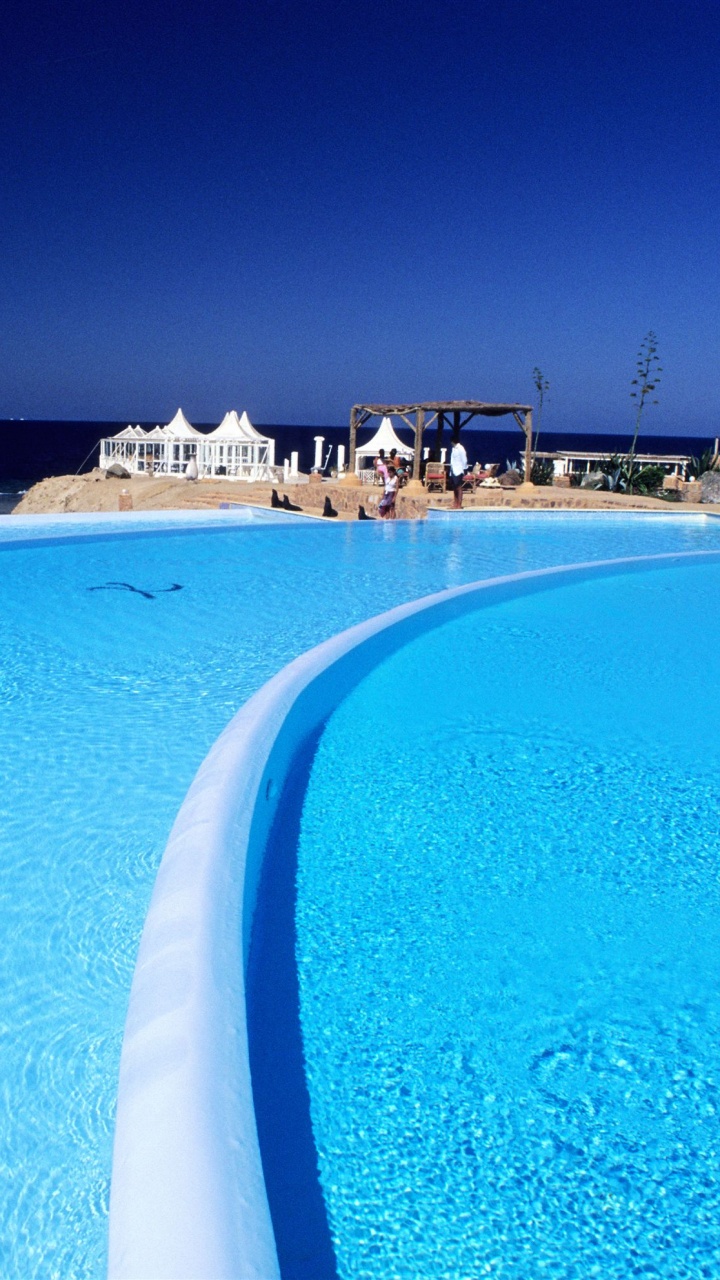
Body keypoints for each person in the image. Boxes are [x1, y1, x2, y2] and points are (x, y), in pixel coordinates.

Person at [449, 436, 469, 509]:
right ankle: (455, 503)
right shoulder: (454, 449)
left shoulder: (461, 448)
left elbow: (464, 460)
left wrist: (464, 469)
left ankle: (459, 504)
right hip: (453, 470)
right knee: (454, 487)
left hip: (459, 470)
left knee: (458, 487)